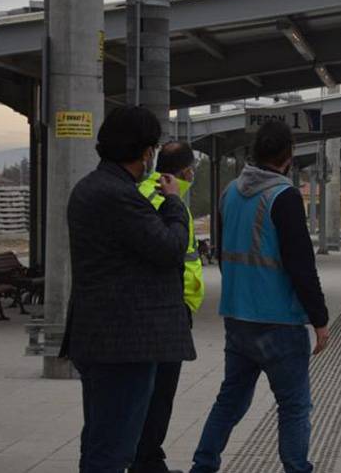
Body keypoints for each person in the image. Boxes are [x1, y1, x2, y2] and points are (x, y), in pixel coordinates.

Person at [60, 105, 196, 473]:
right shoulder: (116, 195)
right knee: (112, 448)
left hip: (104, 337)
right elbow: (169, 248)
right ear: (146, 152)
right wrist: (174, 203)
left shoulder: (93, 187)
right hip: (122, 343)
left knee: (103, 440)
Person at [190, 120, 330, 473]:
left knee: (230, 400)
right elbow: (301, 264)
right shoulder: (284, 196)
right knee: (294, 406)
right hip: (279, 320)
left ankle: (202, 465)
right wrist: (320, 319)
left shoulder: (229, 193)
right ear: (289, 155)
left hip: (238, 317)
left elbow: (223, 252)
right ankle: (296, 468)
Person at [131, 141, 205, 473]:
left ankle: (146, 457)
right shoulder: (163, 198)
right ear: (186, 170)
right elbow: (168, 251)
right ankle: (146, 461)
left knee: (152, 392)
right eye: (192, 169)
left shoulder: (148, 192)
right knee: (159, 392)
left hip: (167, 306)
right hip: (167, 309)